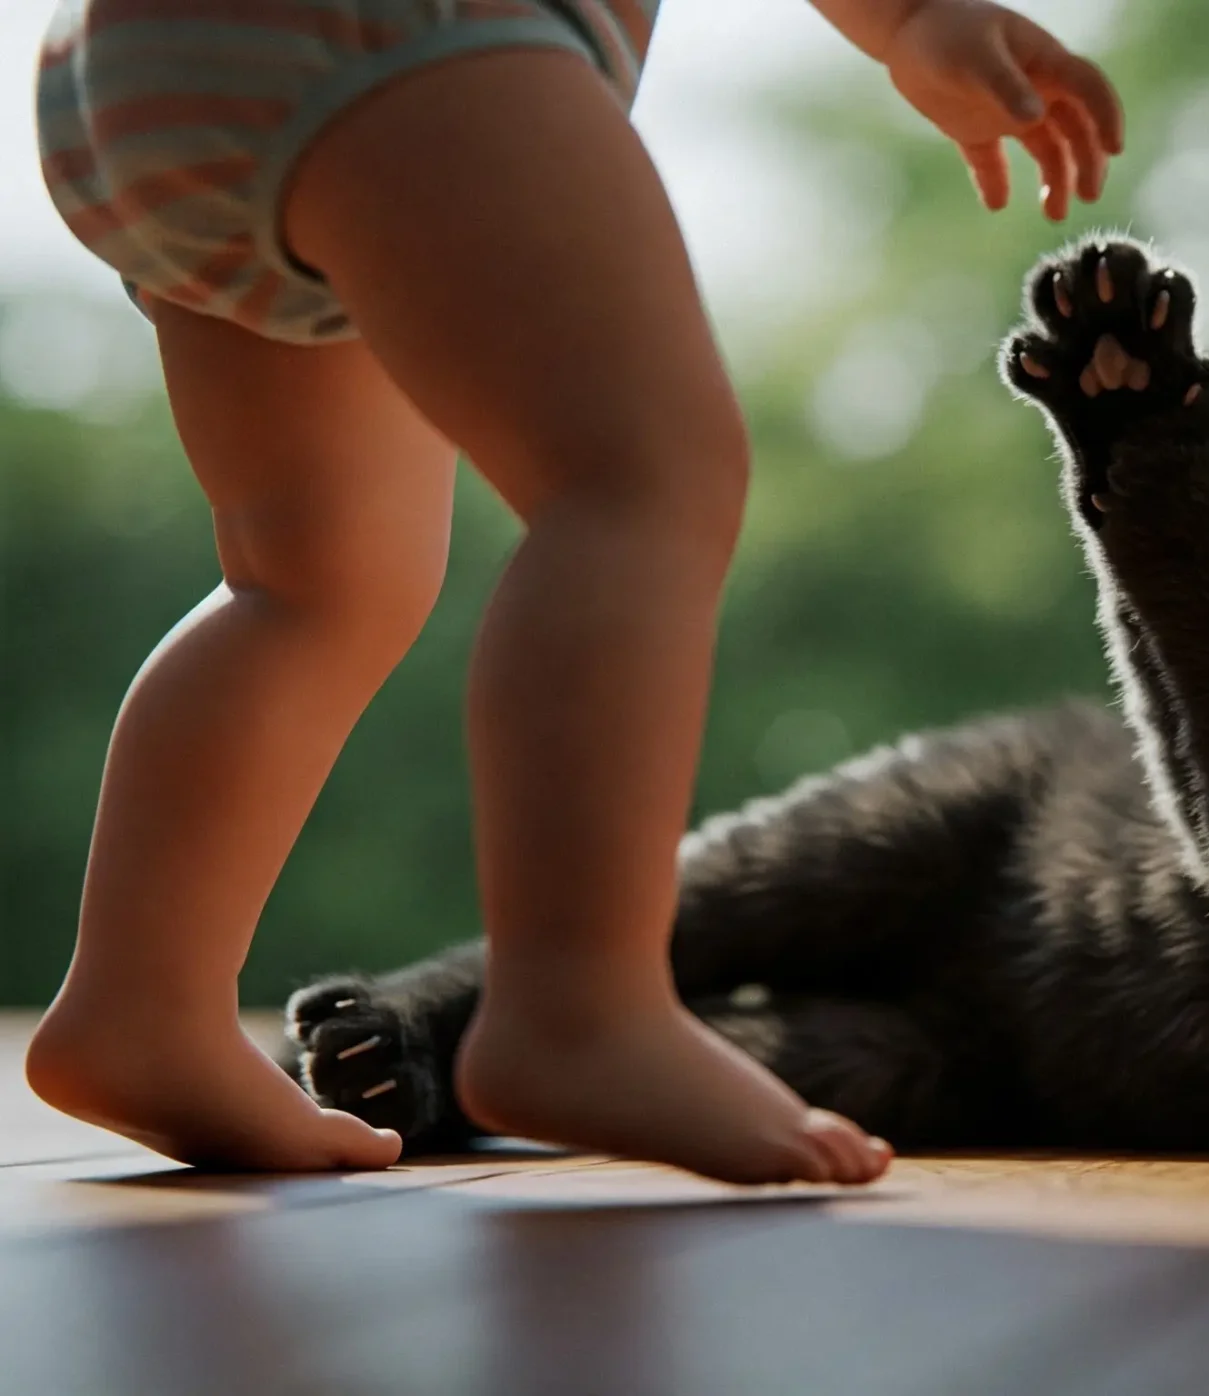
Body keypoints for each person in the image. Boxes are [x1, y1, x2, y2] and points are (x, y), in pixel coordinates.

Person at [27, 0, 1122, 1183]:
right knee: (642, 480)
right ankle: (577, 1004)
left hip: (141, 77)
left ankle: (144, 1004)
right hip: (395, 35)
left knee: (309, 586)